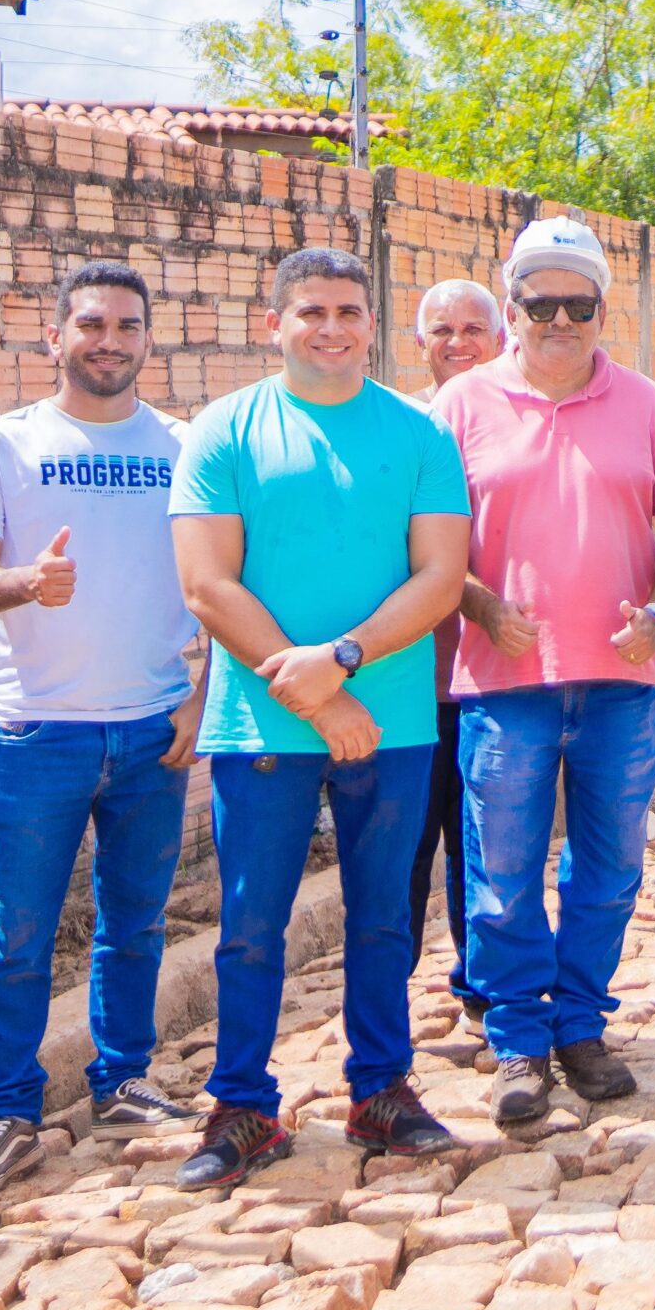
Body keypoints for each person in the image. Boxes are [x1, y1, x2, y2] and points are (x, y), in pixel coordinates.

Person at [170, 247, 471, 1188]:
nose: (330, 328)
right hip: (261, 728)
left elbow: (441, 578)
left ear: (372, 325)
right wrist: (310, 690)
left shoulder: (419, 435)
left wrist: (343, 663)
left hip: (391, 723)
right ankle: (242, 1107)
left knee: (385, 916)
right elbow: (207, 582)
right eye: (309, 312)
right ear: (275, 323)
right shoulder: (223, 430)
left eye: (348, 310)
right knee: (251, 924)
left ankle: (382, 1091)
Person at [0, 262, 207, 1201]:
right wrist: (23, 583)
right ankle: (6, 1116)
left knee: (135, 926)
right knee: (17, 938)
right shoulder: (1, 444)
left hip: (151, 730)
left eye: (127, 326)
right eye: (89, 324)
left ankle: (122, 1082)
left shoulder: (182, 443)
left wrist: (199, 692)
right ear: (54, 337)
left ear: (146, 340)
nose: (109, 340)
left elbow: (214, 577)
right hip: (39, 732)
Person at [436, 220, 655, 1121]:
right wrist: (481, 606)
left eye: (575, 303)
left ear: (599, 310)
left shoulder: (648, 405)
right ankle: (515, 1038)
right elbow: (426, 546)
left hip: (621, 684)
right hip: (504, 686)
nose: (557, 319)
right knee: (501, 871)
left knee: (610, 866)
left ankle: (580, 1023)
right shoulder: (462, 406)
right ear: (509, 309)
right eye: (538, 302)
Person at [407, 278, 502, 1027]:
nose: (459, 342)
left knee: (483, 844)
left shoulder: (513, 422)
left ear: (500, 339)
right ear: (419, 344)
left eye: (474, 328)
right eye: (442, 330)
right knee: (405, 848)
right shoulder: (400, 431)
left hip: (494, 679)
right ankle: (386, 991)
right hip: (409, 680)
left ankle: (482, 985)